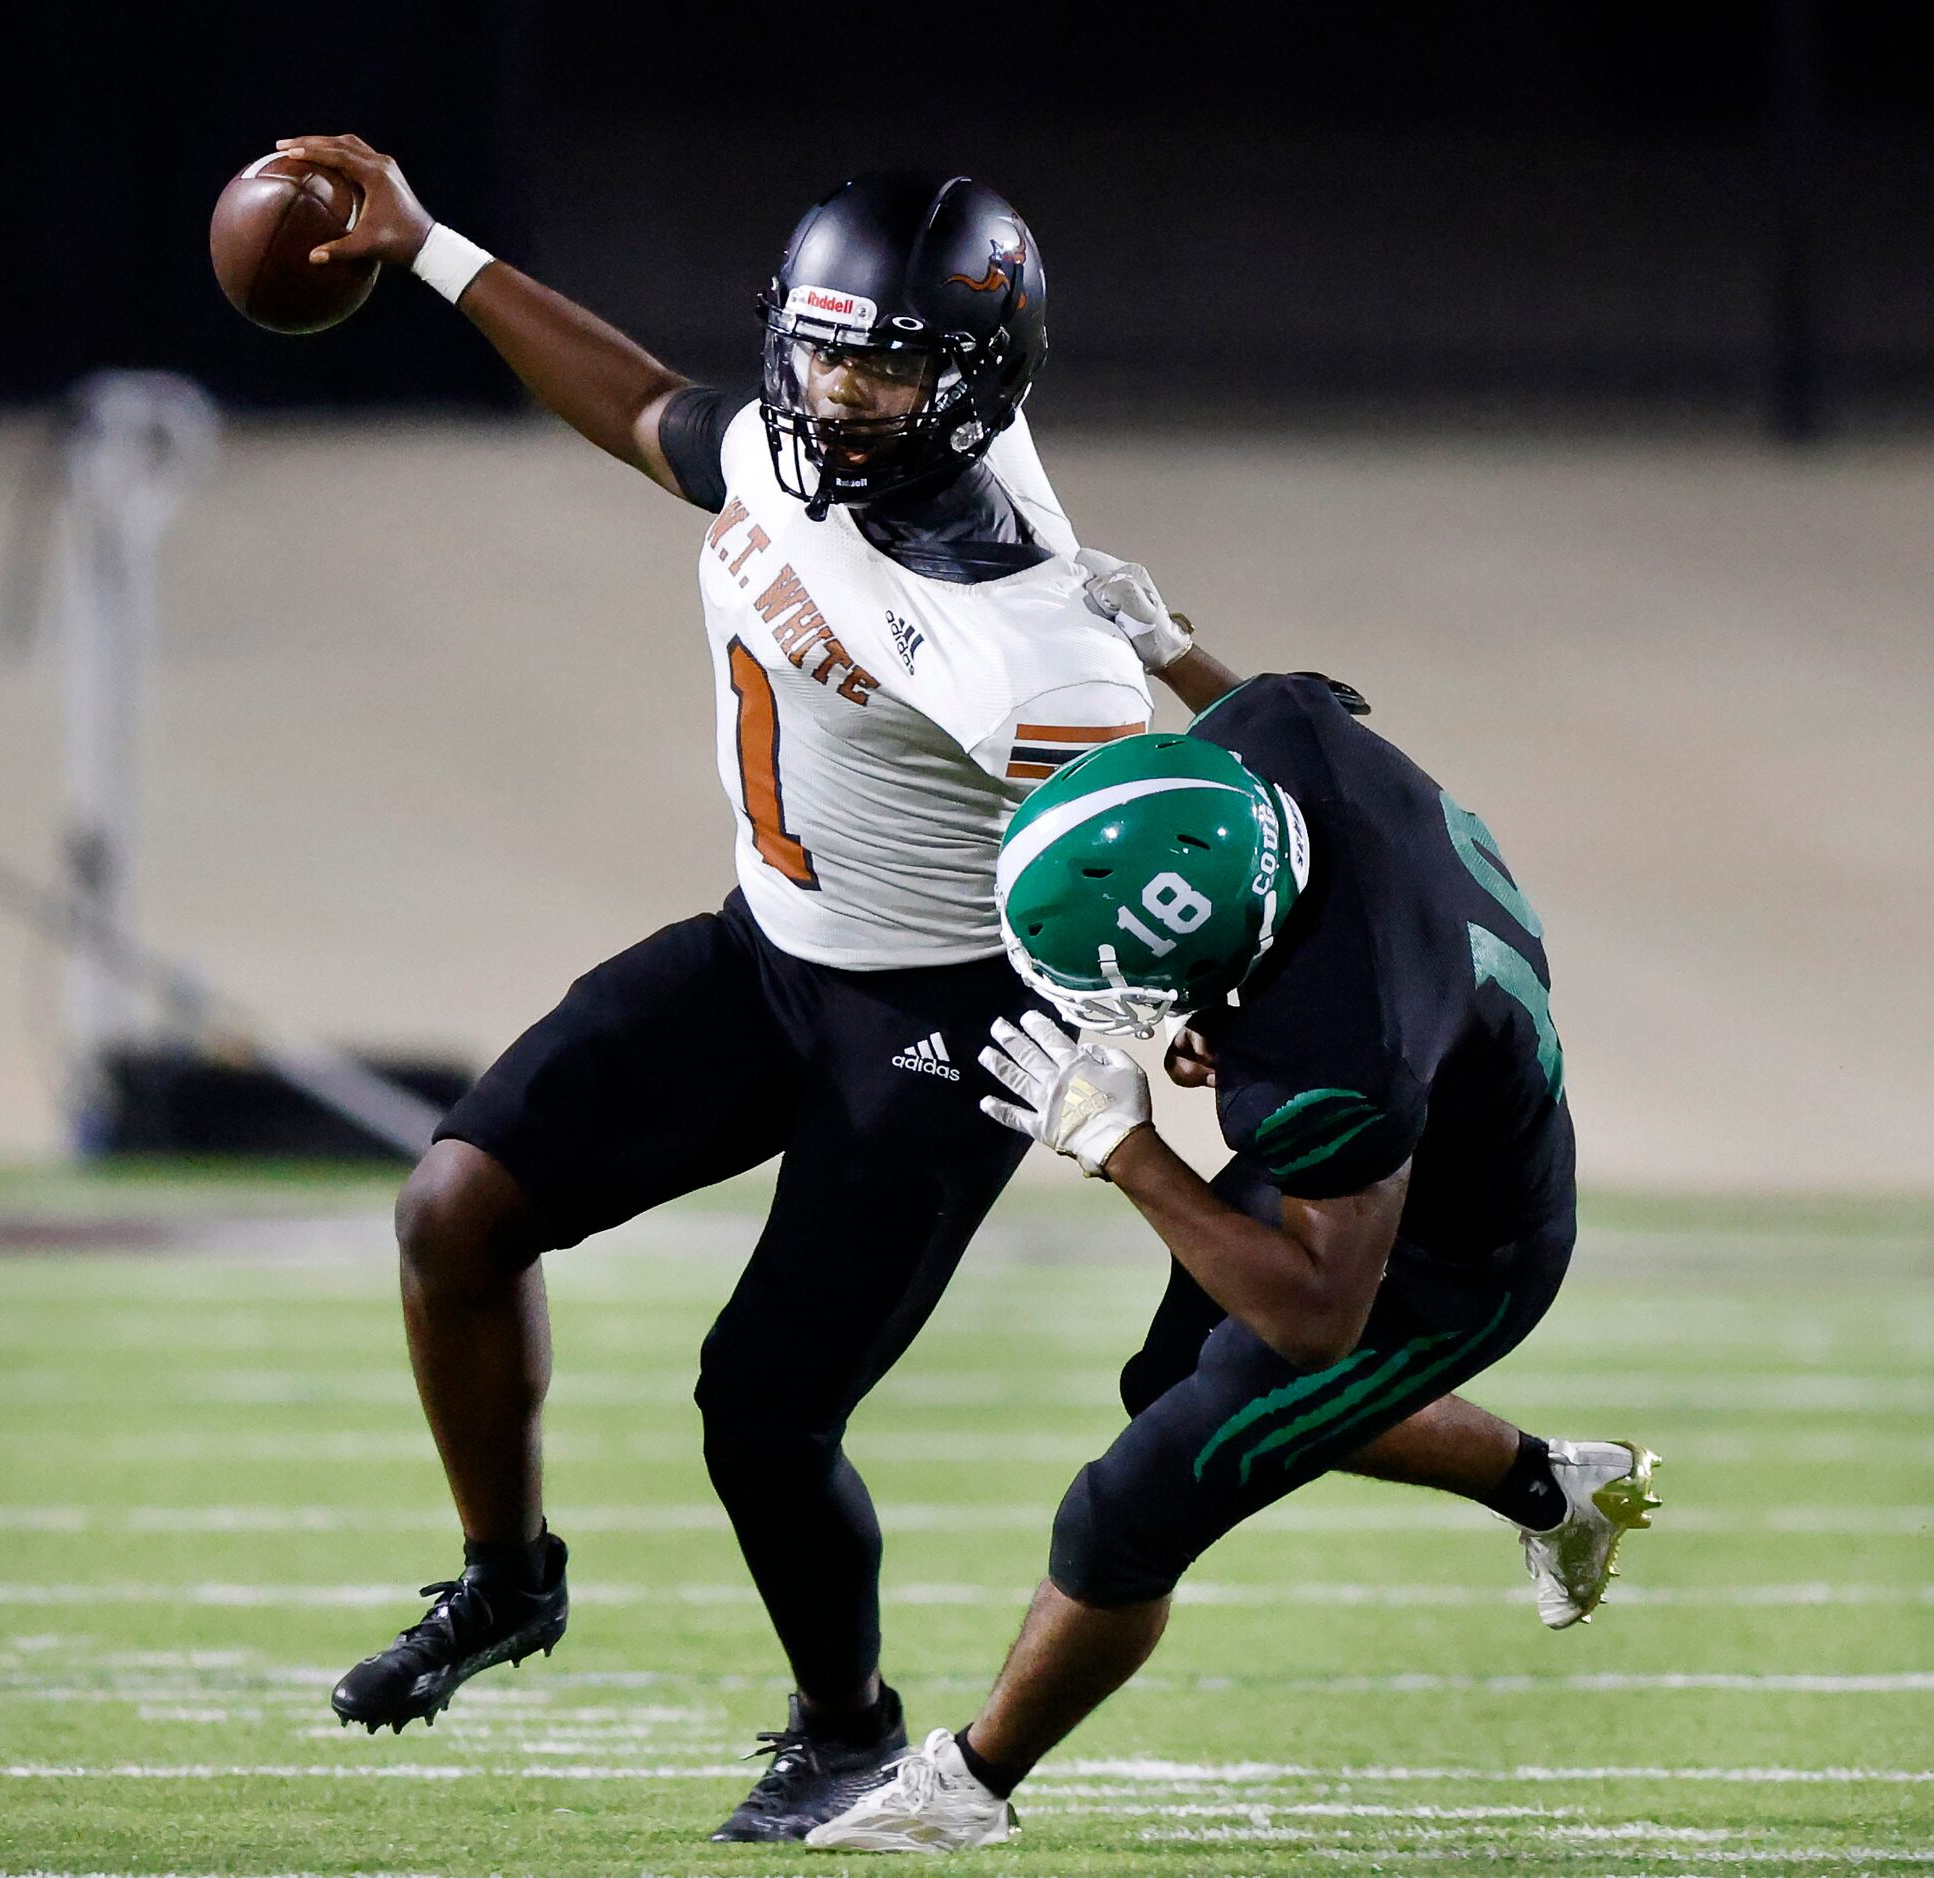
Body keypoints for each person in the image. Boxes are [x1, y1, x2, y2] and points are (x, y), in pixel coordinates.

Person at [268, 137, 1166, 1840]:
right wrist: (432, 246)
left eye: (889, 364)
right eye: (822, 347)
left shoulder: (1025, 640)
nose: (837, 391)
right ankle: (506, 1574)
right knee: (455, 1207)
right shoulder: (806, 441)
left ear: (976, 386)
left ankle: (845, 1724)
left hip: (945, 1018)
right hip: (772, 951)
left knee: (759, 1409)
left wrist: (1173, 1037)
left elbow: (1154, 862)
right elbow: (650, 414)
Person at [806, 601, 1662, 1853]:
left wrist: (1124, 1147)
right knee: (1168, 1383)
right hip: (1418, 1136)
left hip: (1451, 1259)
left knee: (1132, 1507)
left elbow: (1316, 1320)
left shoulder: (1332, 1060)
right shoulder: (1282, 733)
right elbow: (1248, 706)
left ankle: (969, 1790)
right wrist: (1172, 648)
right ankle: (1554, 1485)